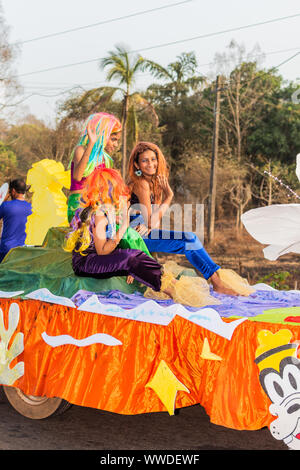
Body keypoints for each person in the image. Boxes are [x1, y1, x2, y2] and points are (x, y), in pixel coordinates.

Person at [127, 141, 254, 297]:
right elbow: (150, 222)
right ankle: (217, 283)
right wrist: (170, 196)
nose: (151, 164)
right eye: (145, 160)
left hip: (146, 233)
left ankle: (217, 281)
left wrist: (151, 221)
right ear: (137, 165)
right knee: (188, 239)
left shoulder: (153, 183)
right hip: (136, 238)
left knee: (190, 238)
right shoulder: (141, 184)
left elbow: (154, 222)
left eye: (153, 159)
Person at [67, 112, 122, 223]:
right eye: (113, 139)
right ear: (103, 136)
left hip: (96, 206)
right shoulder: (81, 150)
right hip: (78, 206)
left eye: (117, 140)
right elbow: (77, 176)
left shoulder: (105, 159)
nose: (116, 145)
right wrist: (91, 143)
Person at [0, 179, 32, 263]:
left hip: (6, 250)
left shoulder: (5, 206)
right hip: (23, 250)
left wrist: (3, 199)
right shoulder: (31, 208)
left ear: (13, 191)